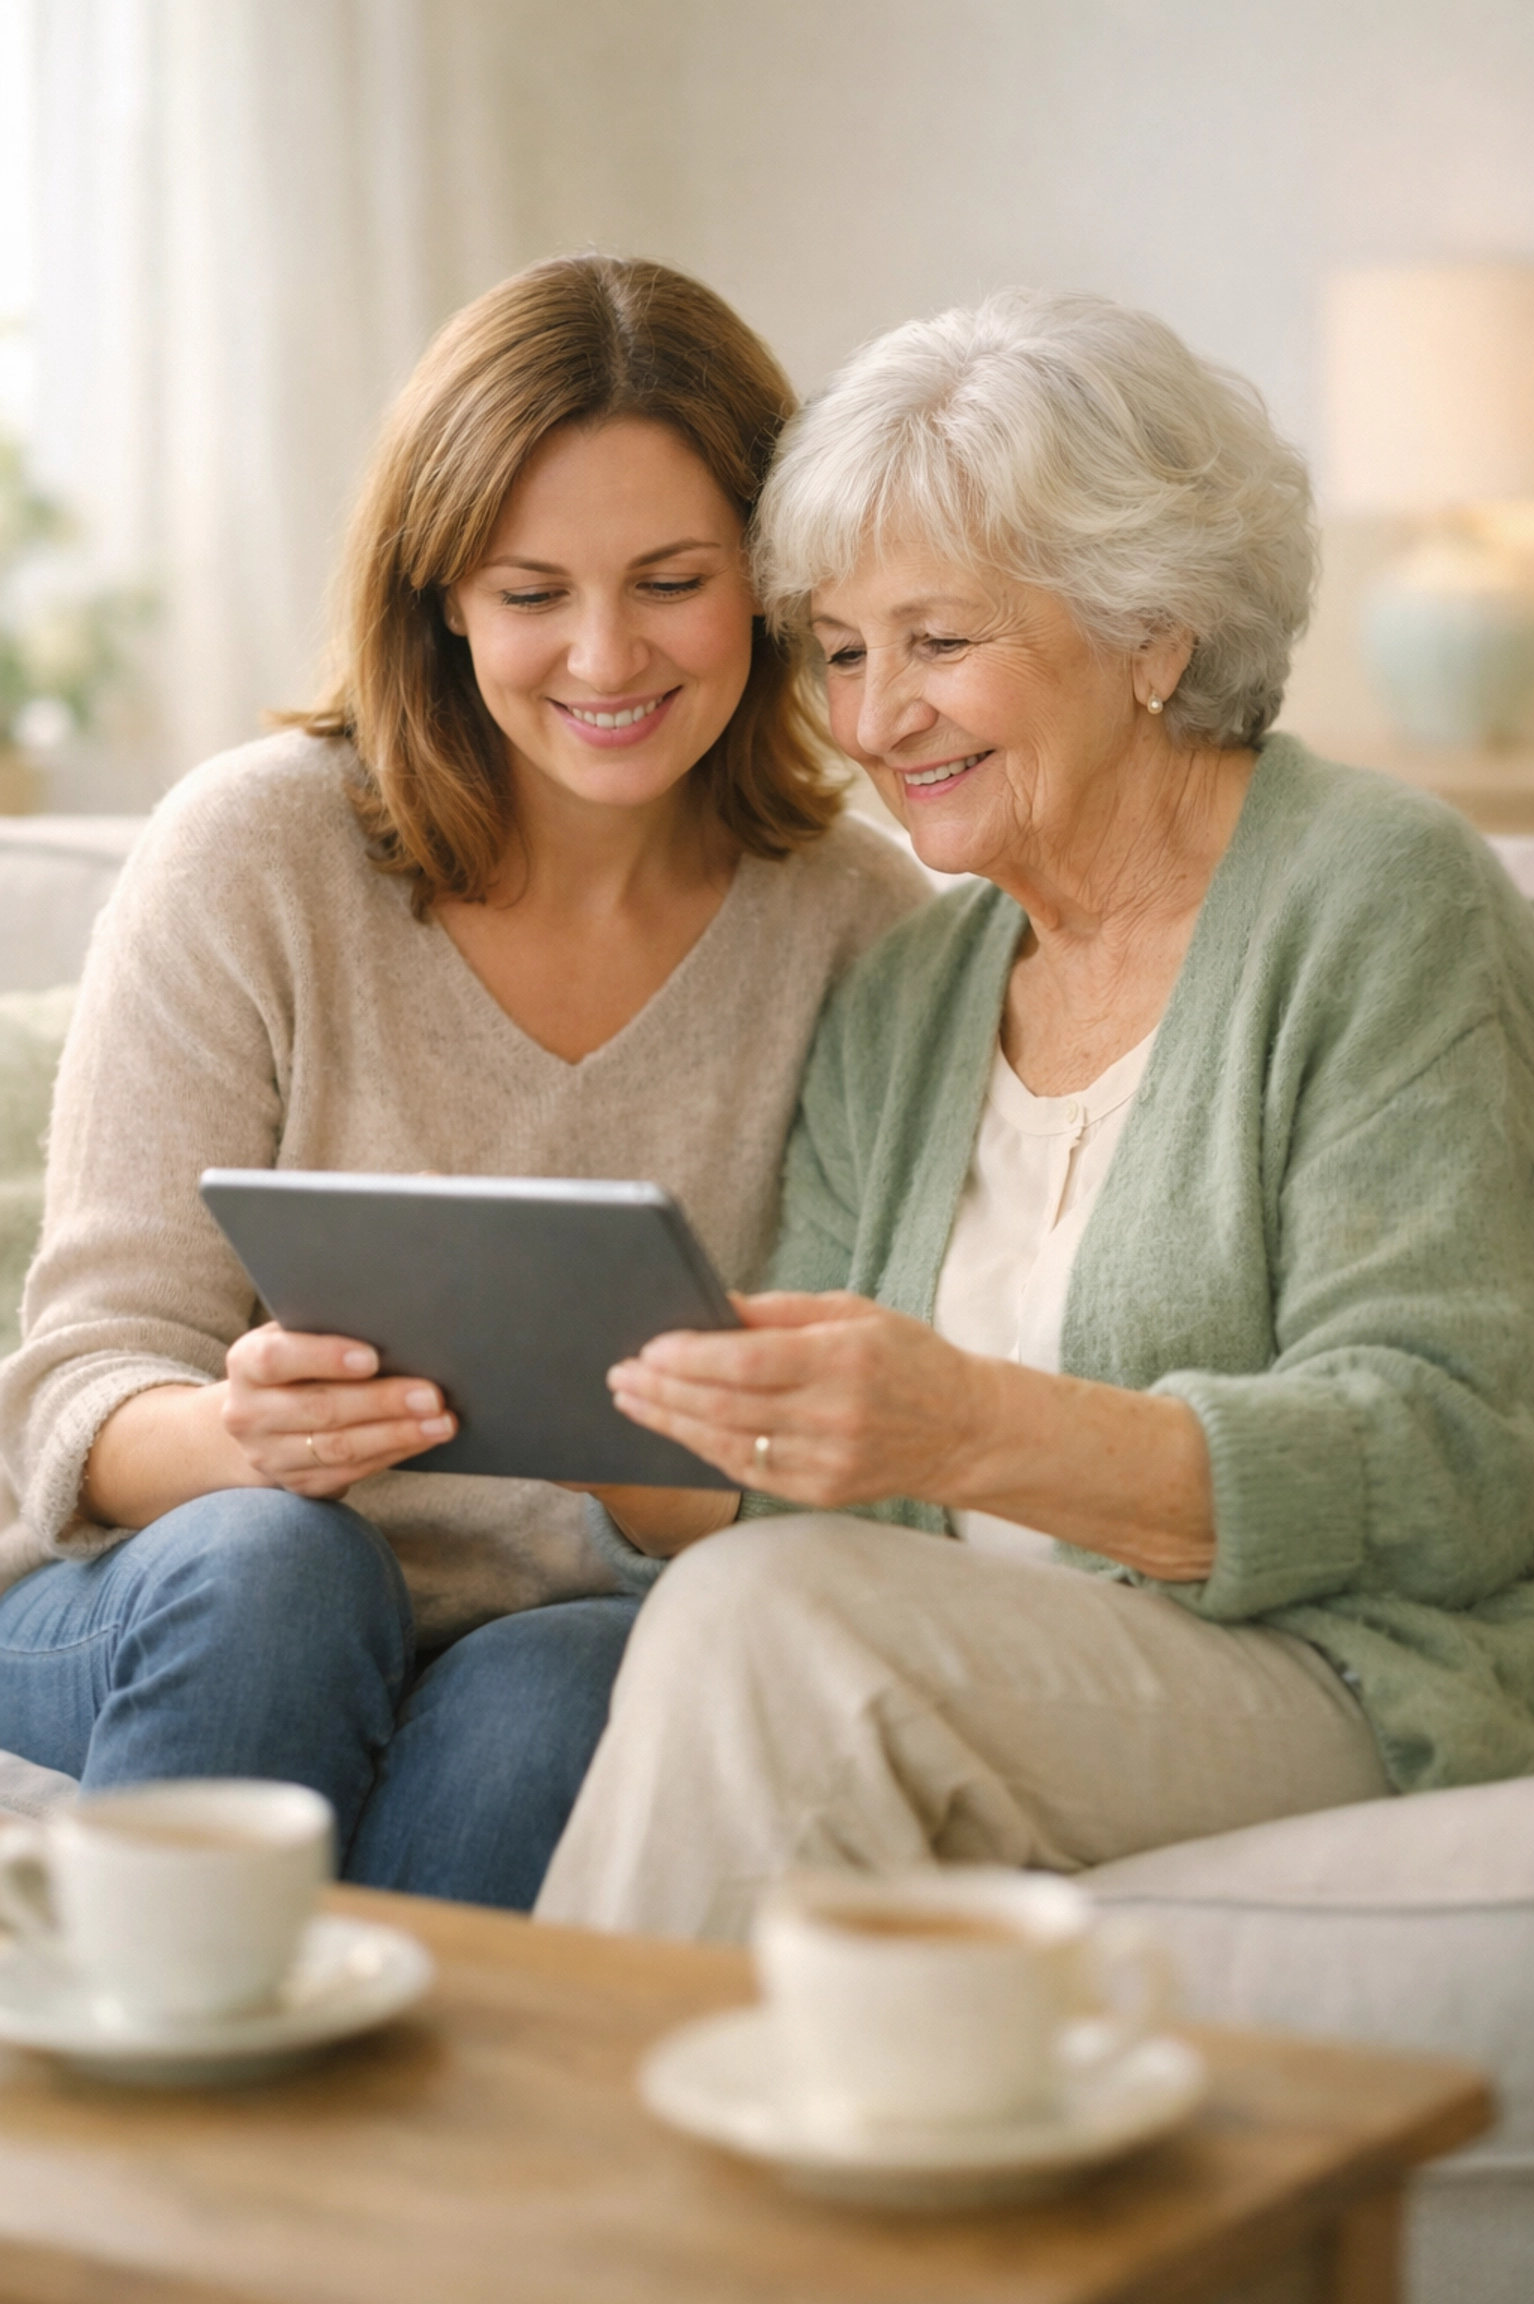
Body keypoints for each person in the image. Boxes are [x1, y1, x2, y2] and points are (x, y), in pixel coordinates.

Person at [534, 289, 1534, 1944]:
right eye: (843, 655)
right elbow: (818, 1511)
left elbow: (1448, 1451)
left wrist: (969, 1426)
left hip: (1338, 1669)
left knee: (772, 1625)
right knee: (737, 1596)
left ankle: (551, 2178)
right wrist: (609, 1421)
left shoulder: (1376, 894)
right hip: (980, 1669)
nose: (871, 721)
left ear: (1154, 634)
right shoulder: (913, 991)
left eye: (939, 643)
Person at [0, 256, 927, 1906]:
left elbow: (837, 1469)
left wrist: (657, 1460)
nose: (602, 655)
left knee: (570, 1691)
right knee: (288, 1573)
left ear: (770, 586)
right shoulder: (255, 851)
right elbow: (80, 1385)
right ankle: (128, 2142)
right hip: (188, 1583)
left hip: (566, 1618)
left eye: (670, 580)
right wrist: (247, 1436)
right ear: (438, 596)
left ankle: (365, 2168)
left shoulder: (858, 926)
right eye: (528, 591)